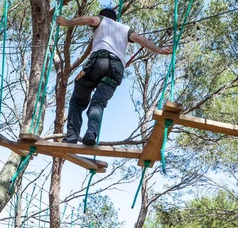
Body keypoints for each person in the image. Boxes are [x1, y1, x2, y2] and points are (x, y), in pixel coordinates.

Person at [57, 8, 172, 145]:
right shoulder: (126, 29)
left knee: (77, 101)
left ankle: (71, 137)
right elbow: (140, 39)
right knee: (98, 103)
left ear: (102, 16)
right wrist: (159, 50)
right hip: (116, 68)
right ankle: (91, 134)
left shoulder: (101, 20)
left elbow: (91, 20)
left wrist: (66, 22)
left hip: (98, 62)